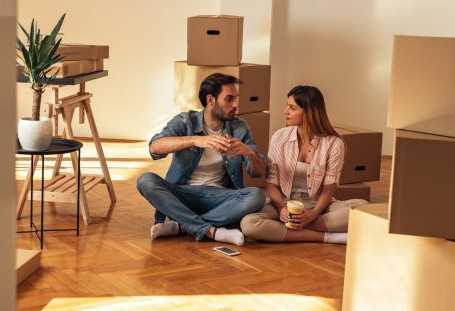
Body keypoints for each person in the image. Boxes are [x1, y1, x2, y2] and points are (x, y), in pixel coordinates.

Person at [137, 73, 266, 245]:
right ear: (211, 100)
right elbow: (155, 147)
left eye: (236, 98)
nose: (236, 104)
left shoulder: (239, 127)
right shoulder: (185, 121)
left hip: (219, 198)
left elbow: (258, 173)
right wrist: (195, 140)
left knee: (257, 195)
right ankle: (212, 231)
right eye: (229, 99)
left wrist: (249, 153)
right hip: (184, 194)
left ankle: (182, 226)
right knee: (145, 180)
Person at [241, 85, 368, 244]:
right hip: (284, 203)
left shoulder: (334, 143)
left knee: (363, 208)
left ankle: (289, 229)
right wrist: (282, 209)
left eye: (292, 108)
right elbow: (271, 183)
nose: (285, 111)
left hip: (318, 206)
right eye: (287, 105)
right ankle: (327, 237)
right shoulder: (280, 137)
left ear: (309, 112)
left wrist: (313, 214)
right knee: (249, 224)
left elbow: (329, 188)